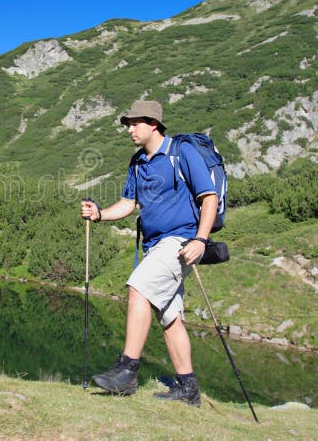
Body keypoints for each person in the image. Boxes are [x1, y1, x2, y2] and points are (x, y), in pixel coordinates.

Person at [80, 99, 218, 406]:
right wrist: (100, 214)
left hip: (179, 242)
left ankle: (127, 371)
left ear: (153, 123)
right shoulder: (137, 162)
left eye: (134, 123)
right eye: (128, 123)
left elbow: (209, 197)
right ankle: (188, 388)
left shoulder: (182, 154)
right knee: (170, 317)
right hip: (153, 246)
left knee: (138, 288)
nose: (129, 129)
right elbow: (129, 204)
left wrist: (201, 240)